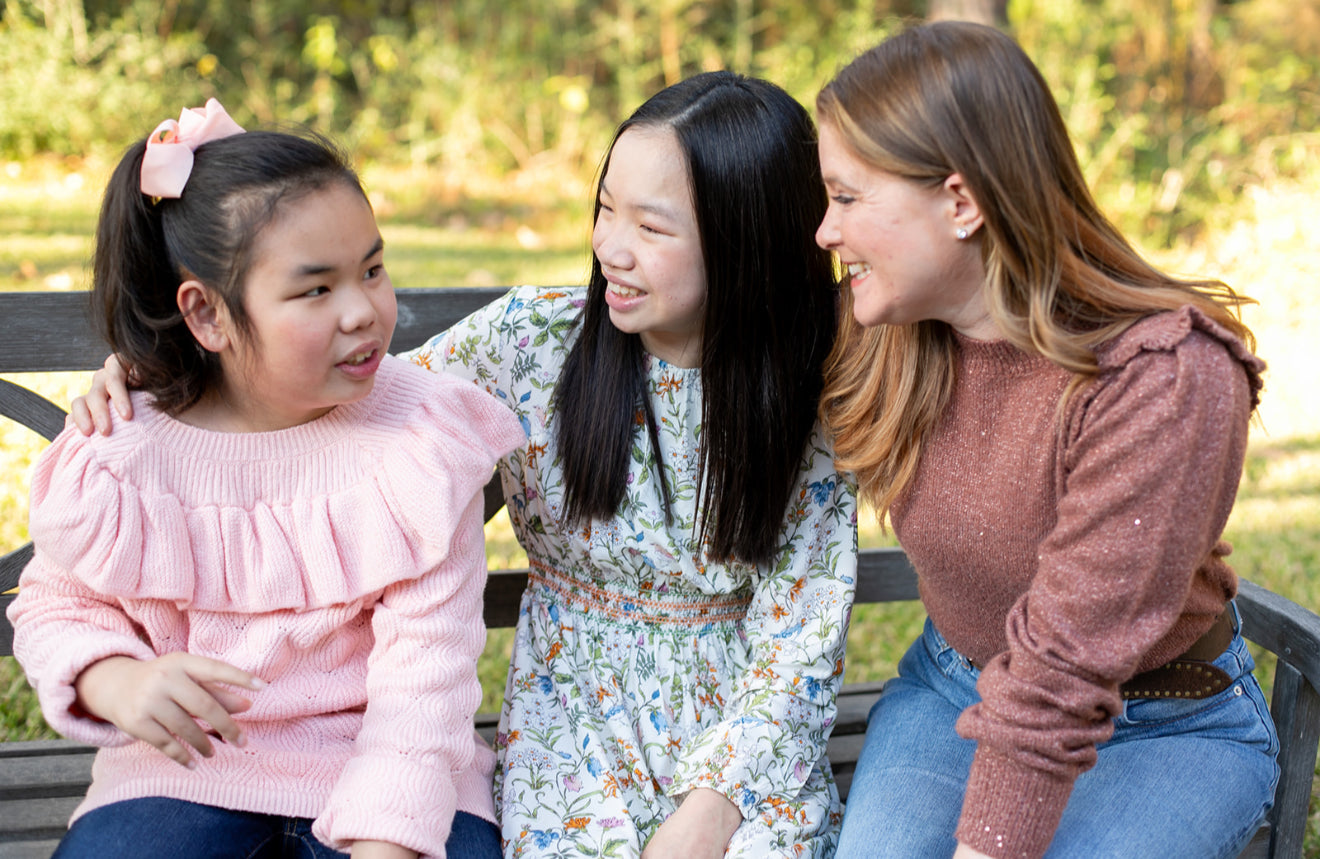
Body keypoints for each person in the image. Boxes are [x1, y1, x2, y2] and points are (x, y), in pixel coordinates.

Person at [68, 74, 858, 859]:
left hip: (745, 731)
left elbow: (800, 640)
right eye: (605, 209)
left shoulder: (808, 394)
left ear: (747, 238)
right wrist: (159, 368)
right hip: (575, 720)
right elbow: (342, 392)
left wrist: (713, 807)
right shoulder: (531, 344)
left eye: (651, 228)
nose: (611, 246)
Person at [10, 100, 525, 859]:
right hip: (186, 772)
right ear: (208, 316)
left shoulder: (416, 445)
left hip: (390, 769)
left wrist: (388, 840)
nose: (364, 311)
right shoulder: (127, 451)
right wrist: (112, 678)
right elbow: (57, 605)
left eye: (373, 269)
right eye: (316, 289)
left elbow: (428, 683)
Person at [813, 21, 1278, 859]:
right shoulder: (891, 326)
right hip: (954, 688)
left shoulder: (1163, 378)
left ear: (961, 202)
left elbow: (1062, 667)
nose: (825, 231)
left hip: (1164, 724)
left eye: (846, 198)